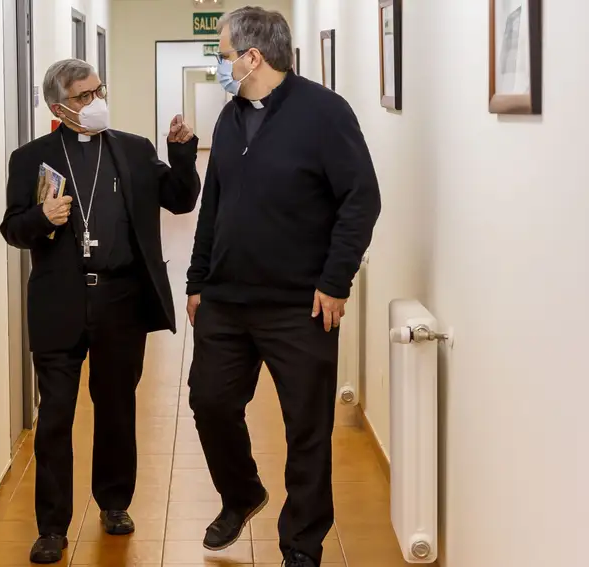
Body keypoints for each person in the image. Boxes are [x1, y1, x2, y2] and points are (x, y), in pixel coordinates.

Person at [185, 7, 381, 567]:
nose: (220, 66)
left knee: (307, 430)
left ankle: (301, 545)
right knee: (210, 403)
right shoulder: (229, 116)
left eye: (224, 56)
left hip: (301, 305)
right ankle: (242, 494)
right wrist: (199, 279)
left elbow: (360, 199)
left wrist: (335, 280)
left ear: (253, 56)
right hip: (226, 300)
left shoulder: (324, 112)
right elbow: (213, 204)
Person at [0, 59, 201, 564]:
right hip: (59, 301)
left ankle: (114, 502)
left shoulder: (132, 150)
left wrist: (182, 154)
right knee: (56, 418)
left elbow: (180, 200)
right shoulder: (32, 158)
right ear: (58, 107)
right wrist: (41, 218)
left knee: (116, 407)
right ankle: (51, 525)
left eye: (99, 91)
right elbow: (12, 228)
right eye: (85, 97)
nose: (97, 103)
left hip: (120, 300)